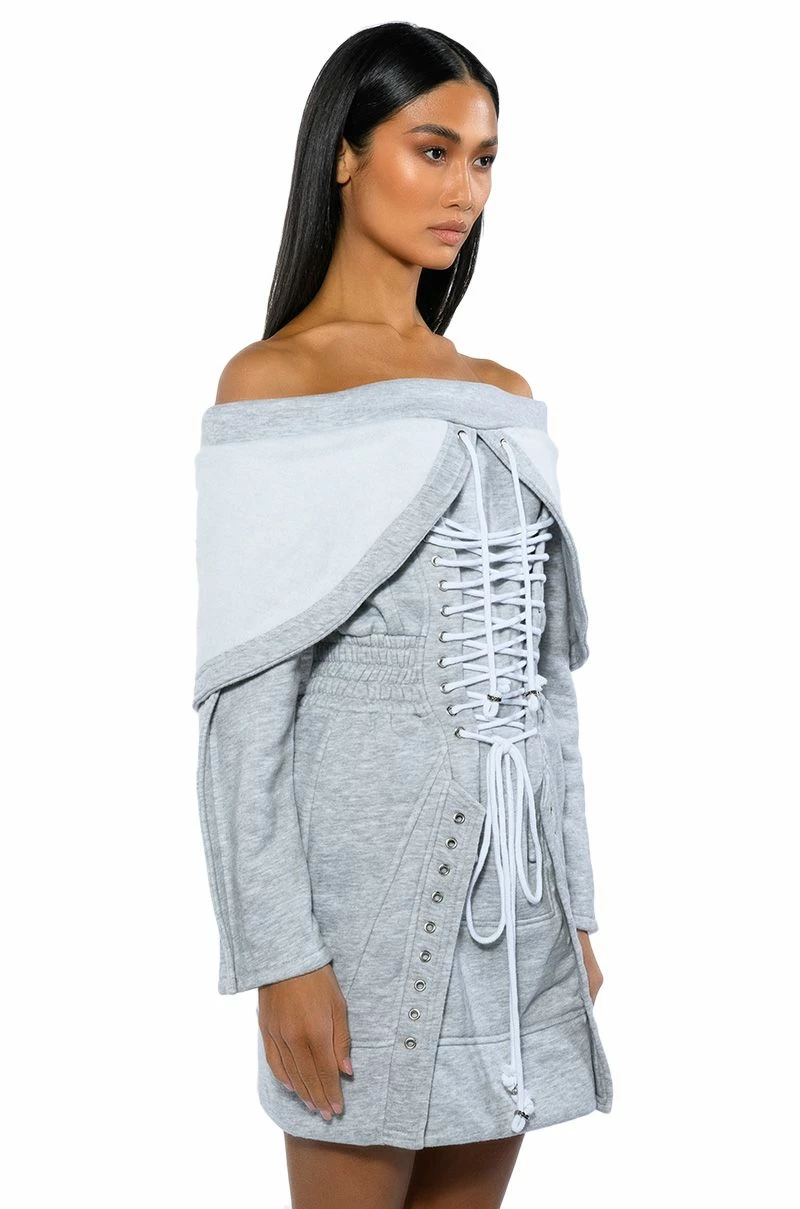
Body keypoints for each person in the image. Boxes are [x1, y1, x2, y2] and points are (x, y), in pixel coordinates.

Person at [193, 20, 613, 1209]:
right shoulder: (272, 385)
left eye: (482, 160)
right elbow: (241, 714)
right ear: (345, 152)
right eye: (431, 151)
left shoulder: (502, 395)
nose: (463, 190)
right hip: (358, 908)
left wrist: (574, 910)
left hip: (516, 902)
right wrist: (280, 957)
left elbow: (542, 688)